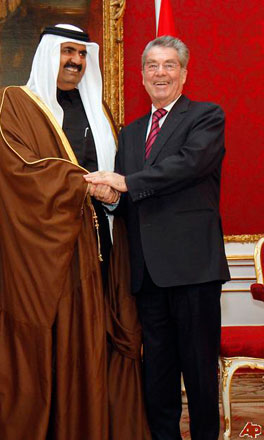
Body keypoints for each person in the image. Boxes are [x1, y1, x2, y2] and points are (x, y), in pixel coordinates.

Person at [0, 24, 150, 439]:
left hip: (103, 244)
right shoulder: (15, 102)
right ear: (48, 55)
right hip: (46, 256)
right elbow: (20, 169)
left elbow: (119, 174)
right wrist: (84, 184)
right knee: (56, 343)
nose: (76, 61)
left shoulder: (98, 111)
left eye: (82, 54)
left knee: (98, 341)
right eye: (67, 52)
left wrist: (112, 194)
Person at [85, 36, 230, 440]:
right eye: (152, 65)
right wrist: (112, 199)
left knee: (199, 373)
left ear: (184, 73)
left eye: (169, 65)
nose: (160, 73)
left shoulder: (205, 117)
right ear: (142, 75)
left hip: (193, 269)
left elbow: (188, 165)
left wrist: (126, 182)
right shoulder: (130, 133)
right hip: (147, 273)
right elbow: (129, 199)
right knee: (158, 376)